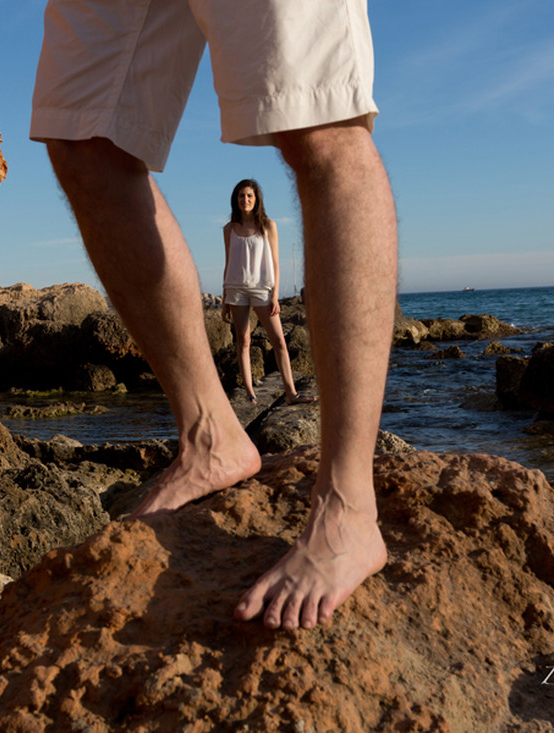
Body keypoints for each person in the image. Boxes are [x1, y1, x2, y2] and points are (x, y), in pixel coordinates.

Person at [32, 0, 397, 631]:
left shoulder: (257, 225)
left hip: (261, 288)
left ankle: (348, 506)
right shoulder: (233, 225)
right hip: (242, 290)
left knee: (317, 117)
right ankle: (211, 436)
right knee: (83, 138)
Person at [221, 179, 317, 406]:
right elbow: (228, 263)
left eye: (249, 196)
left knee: (280, 342)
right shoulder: (229, 229)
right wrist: (225, 297)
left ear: (256, 200)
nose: (245, 200)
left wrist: (274, 296)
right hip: (236, 290)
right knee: (243, 342)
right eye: (241, 196)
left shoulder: (268, 225)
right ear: (236, 199)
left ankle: (291, 394)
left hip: (262, 289)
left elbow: (275, 263)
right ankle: (249, 393)